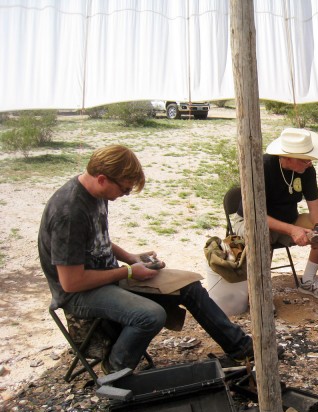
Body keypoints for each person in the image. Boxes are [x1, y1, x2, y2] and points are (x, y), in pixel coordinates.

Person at [38, 145, 254, 373]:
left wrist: (131, 259)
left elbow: (96, 240)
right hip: (78, 294)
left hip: (105, 278)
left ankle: (241, 349)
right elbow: (72, 282)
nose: (124, 195)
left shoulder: (96, 194)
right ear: (102, 179)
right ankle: (115, 371)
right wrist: (129, 272)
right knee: (151, 315)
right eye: (124, 190)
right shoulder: (69, 213)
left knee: (190, 287)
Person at [234, 128, 318, 300]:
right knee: (260, 235)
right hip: (251, 221)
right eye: (305, 159)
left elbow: (315, 205)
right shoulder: (262, 167)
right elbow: (255, 215)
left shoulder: (307, 171)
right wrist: (292, 230)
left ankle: (308, 281)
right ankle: (261, 296)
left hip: (288, 220)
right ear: (287, 157)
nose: (310, 163)